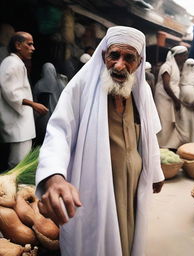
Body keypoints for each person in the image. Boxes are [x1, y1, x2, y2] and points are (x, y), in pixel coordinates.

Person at [35, 26, 164, 256]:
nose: (119, 65)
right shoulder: (81, 86)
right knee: (95, 240)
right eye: (114, 55)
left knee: (127, 233)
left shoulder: (141, 91)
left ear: (139, 61)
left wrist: (155, 172)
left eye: (129, 58)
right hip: (94, 183)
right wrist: (54, 178)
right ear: (104, 54)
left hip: (132, 185)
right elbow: (58, 132)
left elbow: (148, 134)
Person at [0, 32, 48, 169]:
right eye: (29, 44)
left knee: (20, 162)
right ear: (18, 45)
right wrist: (33, 104)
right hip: (17, 124)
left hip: (21, 124)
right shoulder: (12, 63)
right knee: (18, 164)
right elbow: (10, 92)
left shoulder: (15, 63)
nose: (33, 48)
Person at [154, 45, 188, 149]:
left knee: (170, 123)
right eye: (183, 56)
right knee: (164, 121)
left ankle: (169, 144)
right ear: (176, 56)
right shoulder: (167, 66)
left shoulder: (175, 67)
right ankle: (160, 145)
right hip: (164, 97)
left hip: (171, 98)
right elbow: (166, 85)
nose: (185, 58)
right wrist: (176, 100)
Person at [33, 62, 65, 145]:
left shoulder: (38, 85)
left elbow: (34, 101)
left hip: (42, 120)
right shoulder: (60, 84)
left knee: (41, 143)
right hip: (57, 119)